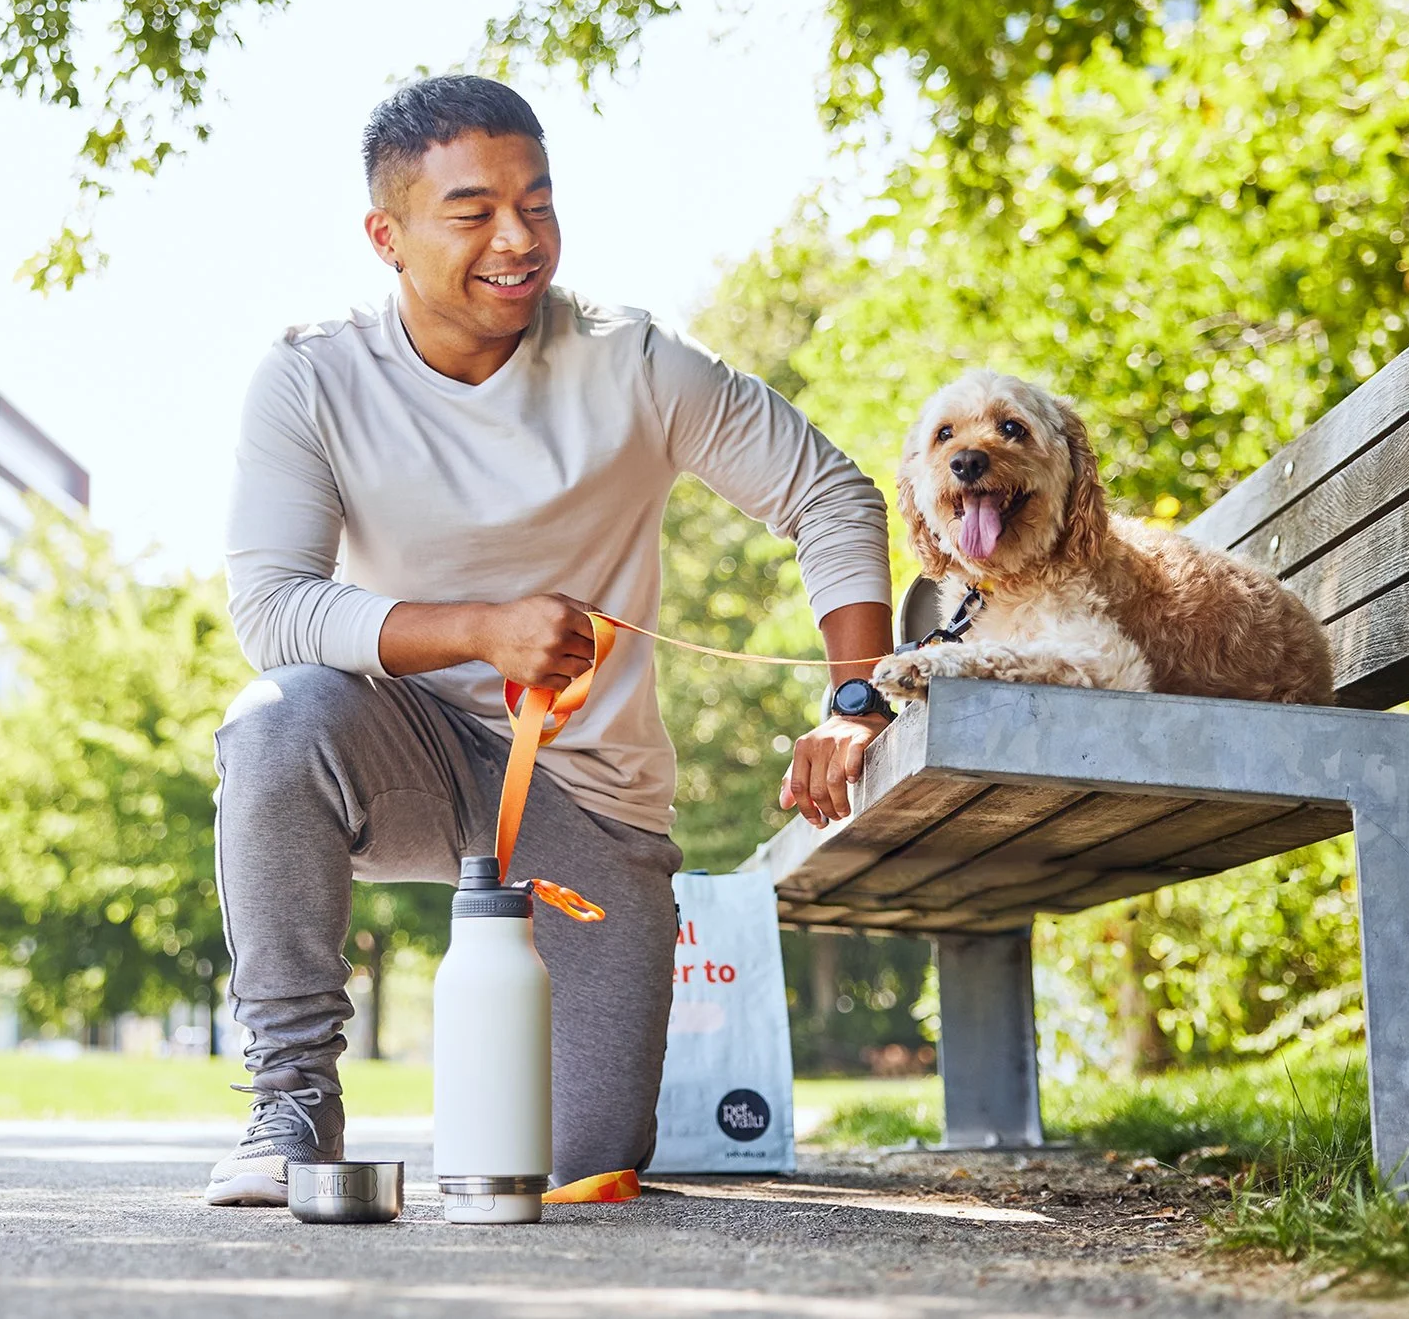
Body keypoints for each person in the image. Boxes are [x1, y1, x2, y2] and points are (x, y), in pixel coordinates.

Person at [205, 75, 894, 1205]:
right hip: (407, 749)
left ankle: (605, 1068)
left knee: (585, 1163)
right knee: (277, 720)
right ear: (386, 235)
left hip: (592, 798)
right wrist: (481, 628)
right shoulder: (312, 379)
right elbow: (275, 606)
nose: (517, 239)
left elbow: (831, 494)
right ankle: (289, 1104)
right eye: (472, 212)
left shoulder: (632, 363)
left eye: (538, 202)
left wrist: (853, 701)